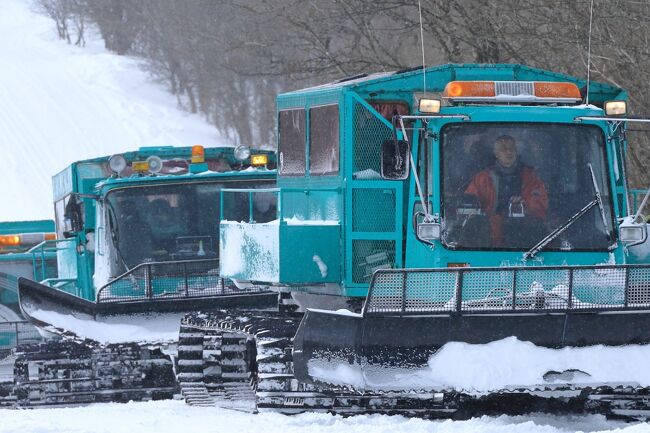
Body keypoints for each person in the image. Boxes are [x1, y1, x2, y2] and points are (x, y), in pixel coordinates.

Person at [465, 135, 548, 247]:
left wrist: (524, 203)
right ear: (496, 153)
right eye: (504, 148)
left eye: (512, 148)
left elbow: (541, 203)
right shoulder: (482, 178)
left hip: (526, 238)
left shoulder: (531, 177)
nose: (509, 151)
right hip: (488, 241)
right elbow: (469, 203)